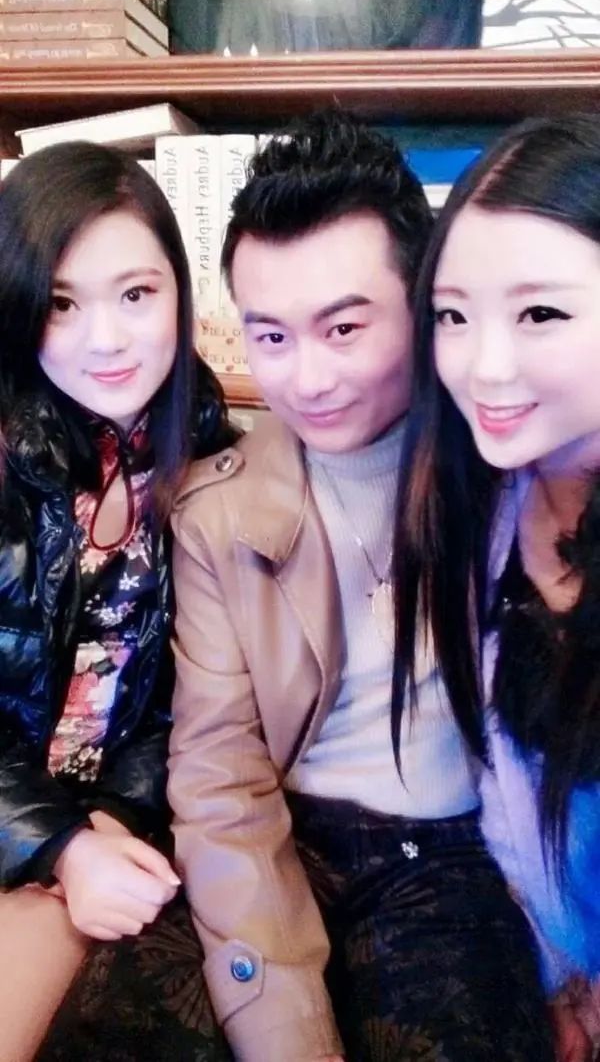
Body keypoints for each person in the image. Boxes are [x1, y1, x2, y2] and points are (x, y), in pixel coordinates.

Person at [168, 110, 554, 1062]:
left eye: (344, 327)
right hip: (280, 837)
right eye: (271, 335)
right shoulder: (216, 512)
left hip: (451, 855)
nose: (308, 378)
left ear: (424, 305)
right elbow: (221, 777)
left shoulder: (513, 469)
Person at [0, 141, 235, 1061]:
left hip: (98, 829)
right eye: (62, 303)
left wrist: (114, 821)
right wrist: (60, 846)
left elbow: (187, 692)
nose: (106, 339)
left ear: (179, 291)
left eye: (136, 293)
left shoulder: (206, 452)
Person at [392, 113, 600, 1061]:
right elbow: (507, 803)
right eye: (452, 315)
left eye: (540, 313)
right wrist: (554, 973)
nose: (484, 365)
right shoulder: (483, 506)